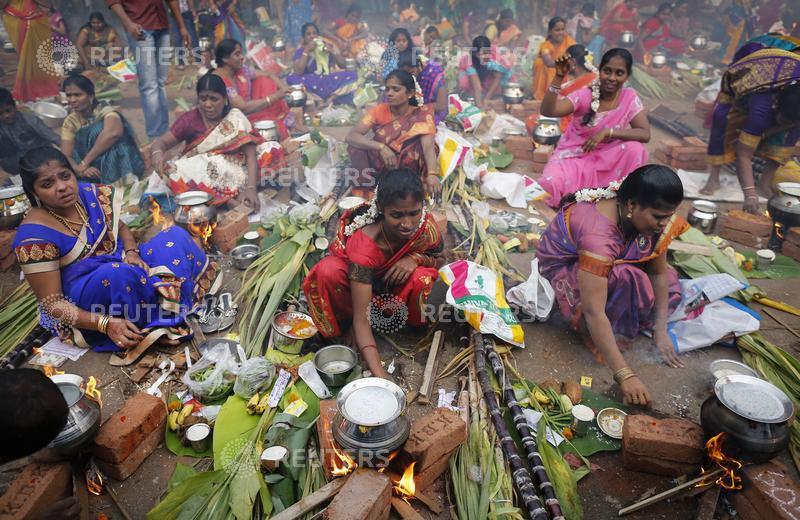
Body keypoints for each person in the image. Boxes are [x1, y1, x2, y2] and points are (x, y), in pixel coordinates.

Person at [13, 146, 220, 354]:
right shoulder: (32, 238)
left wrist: (131, 252)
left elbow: (120, 227)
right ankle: (148, 326)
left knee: (173, 236)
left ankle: (168, 309)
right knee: (117, 274)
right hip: (87, 302)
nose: (62, 187)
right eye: (47, 184)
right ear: (33, 191)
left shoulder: (88, 195)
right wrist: (105, 323)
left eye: (65, 176)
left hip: (124, 265)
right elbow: (52, 306)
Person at [537, 165, 688, 407]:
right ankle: (607, 338)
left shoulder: (650, 217)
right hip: (566, 269)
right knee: (628, 279)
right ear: (631, 205)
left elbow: (658, 273)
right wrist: (625, 375)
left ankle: (628, 310)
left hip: (604, 260)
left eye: (669, 216)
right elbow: (594, 311)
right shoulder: (598, 236)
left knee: (668, 281)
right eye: (658, 217)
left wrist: (661, 329)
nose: (664, 223)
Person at [303, 168, 444, 378]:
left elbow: (441, 260)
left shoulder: (424, 225)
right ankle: (345, 325)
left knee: (422, 279)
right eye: (396, 215)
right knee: (328, 271)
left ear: (422, 207)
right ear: (381, 208)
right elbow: (362, 318)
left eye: (413, 213)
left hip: (391, 292)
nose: (407, 224)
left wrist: (415, 259)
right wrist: (380, 373)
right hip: (357, 295)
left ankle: (405, 325)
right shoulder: (365, 248)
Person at [538, 48, 650, 207]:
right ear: (600, 69)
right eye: (607, 71)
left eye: (619, 73)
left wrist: (607, 132)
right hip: (575, 156)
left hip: (608, 157)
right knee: (550, 185)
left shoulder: (629, 97)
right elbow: (548, 111)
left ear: (627, 76)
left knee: (635, 149)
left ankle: (618, 197)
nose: (612, 78)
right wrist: (558, 77)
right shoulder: (585, 95)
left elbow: (645, 133)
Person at [702, 48, 800, 213]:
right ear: (776, 106)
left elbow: (790, 122)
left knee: (791, 133)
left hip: (789, 76)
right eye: (782, 119)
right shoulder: (762, 107)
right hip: (743, 78)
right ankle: (714, 177)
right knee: (723, 118)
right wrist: (750, 195)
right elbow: (743, 154)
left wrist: (775, 130)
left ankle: (764, 184)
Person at [150, 74, 263, 209]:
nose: (208, 104)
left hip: (238, 171)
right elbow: (161, 143)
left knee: (269, 149)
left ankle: (242, 193)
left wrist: (251, 188)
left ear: (225, 99)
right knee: (173, 170)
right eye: (203, 99)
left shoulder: (235, 118)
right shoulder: (189, 120)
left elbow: (250, 154)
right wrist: (157, 153)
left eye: (214, 99)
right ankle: (225, 200)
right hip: (205, 176)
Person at [347, 70, 440, 197]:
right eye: (387, 89)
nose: (389, 93)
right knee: (356, 147)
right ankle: (365, 191)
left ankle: (412, 188)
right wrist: (381, 147)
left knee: (419, 147)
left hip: (408, 169)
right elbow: (352, 136)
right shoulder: (379, 110)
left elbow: (428, 146)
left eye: (396, 89)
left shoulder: (421, 114)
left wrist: (432, 174)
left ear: (410, 93)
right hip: (382, 163)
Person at [106, 0, 190, 141]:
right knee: (149, 84)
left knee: (161, 82)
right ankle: (155, 135)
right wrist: (128, 24)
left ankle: (163, 131)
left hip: (162, 25)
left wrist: (182, 26)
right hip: (139, 27)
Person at [60, 75, 145, 185]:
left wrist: (85, 162)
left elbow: (113, 134)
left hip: (120, 164)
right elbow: (66, 154)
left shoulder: (105, 110)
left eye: (77, 95)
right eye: (69, 95)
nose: (72, 100)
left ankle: (119, 183)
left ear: (91, 96)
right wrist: (80, 169)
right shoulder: (70, 121)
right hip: (89, 169)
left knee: (100, 131)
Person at [214, 39, 291, 139]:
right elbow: (243, 107)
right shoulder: (219, 79)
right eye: (237, 54)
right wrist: (275, 96)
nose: (242, 57)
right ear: (225, 58)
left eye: (241, 53)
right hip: (229, 123)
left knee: (264, 81)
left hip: (248, 115)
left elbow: (269, 74)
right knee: (271, 122)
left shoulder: (241, 71)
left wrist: (285, 90)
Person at [2, 0, 60, 102]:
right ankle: (28, 91)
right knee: (26, 57)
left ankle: (38, 90)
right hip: (16, 18)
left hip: (36, 19)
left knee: (38, 57)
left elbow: (48, 4)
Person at [287, 23, 358, 104]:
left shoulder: (326, 46)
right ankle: (319, 100)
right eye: (308, 34)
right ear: (304, 38)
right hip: (309, 84)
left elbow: (343, 65)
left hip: (326, 81)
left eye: (314, 33)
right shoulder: (301, 51)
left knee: (352, 75)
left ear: (318, 35)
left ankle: (331, 98)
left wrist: (332, 51)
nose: (312, 36)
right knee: (291, 78)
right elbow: (298, 71)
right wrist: (307, 50)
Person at [0, 88, 60, 181]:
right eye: (1, 113)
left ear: (15, 106)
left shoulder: (29, 120)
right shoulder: (2, 124)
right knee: (7, 163)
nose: (6, 116)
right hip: (21, 155)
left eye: (8, 111)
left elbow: (54, 138)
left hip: (41, 153)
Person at [458, 35, 509, 107]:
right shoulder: (468, 61)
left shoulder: (495, 55)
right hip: (470, 87)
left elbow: (497, 77)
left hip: (491, 84)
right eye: (480, 54)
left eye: (486, 53)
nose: (484, 57)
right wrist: (479, 107)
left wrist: (486, 99)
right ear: (475, 54)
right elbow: (477, 87)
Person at [532, 17, 576, 100]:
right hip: (553, 68)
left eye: (563, 29)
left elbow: (578, 55)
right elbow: (548, 62)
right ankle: (541, 96)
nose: (561, 33)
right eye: (557, 30)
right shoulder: (545, 45)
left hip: (566, 72)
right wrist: (565, 63)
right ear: (550, 32)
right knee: (540, 63)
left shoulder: (570, 42)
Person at [400, 53, 447, 125]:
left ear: (419, 65)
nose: (410, 77)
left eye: (412, 72)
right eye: (407, 75)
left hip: (434, 113)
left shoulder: (434, 74)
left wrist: (418, 109)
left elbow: (441, 105)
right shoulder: (404, 78)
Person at [719, 0, 753, 64]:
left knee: (737, 43)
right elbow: (723, 9)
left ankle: (729, 61)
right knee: (729, 41)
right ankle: (724, 60)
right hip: (735, 21)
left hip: (742, 24)